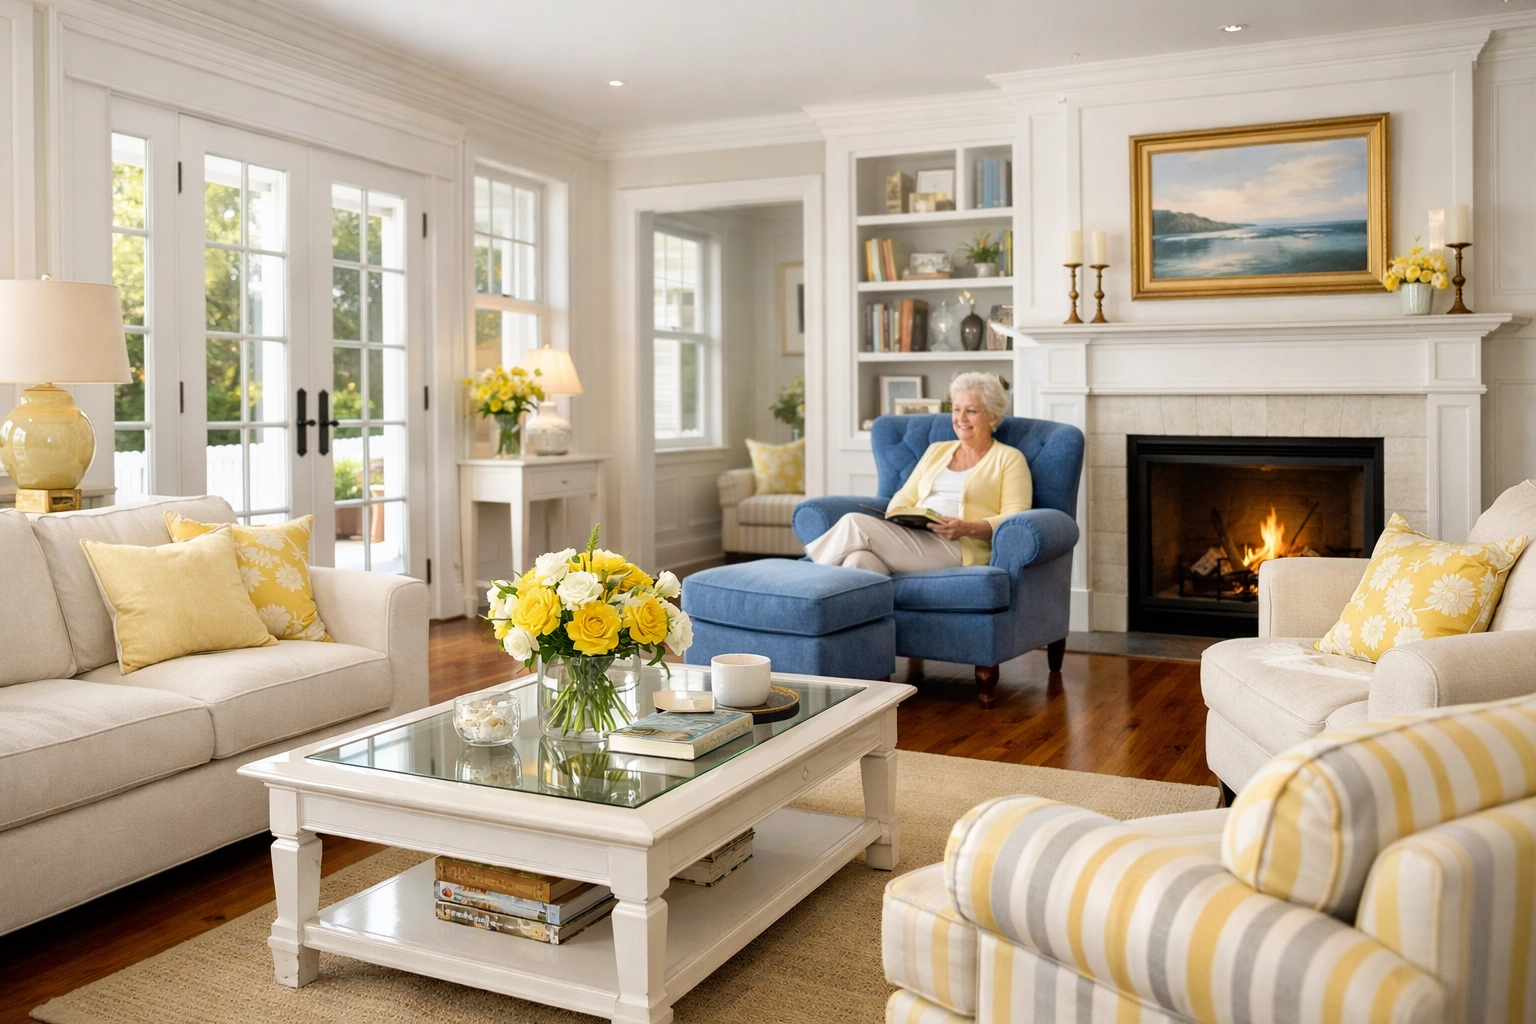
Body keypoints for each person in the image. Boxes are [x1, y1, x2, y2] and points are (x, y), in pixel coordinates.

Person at [806, 372, 1031, 574]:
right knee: (858, 560)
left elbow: (1015, 518)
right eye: (955, 409)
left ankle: (809, 583)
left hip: (960, 548)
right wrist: (899, 512)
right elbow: (905, 495)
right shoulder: (937, 451)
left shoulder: (1009, 459)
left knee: (854, 523)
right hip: (916, 536)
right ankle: (864, 619)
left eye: (971, 411)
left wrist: (966, 528)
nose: (960, 418)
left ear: (993, 416)